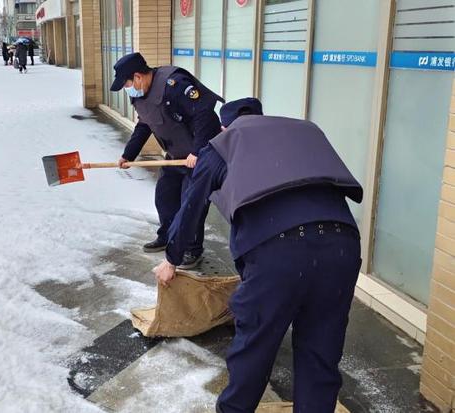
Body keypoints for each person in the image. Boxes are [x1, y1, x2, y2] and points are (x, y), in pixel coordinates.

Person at [153, 98, 364, 413]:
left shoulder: (226, 143)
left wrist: (171, 258)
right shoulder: (299, 133)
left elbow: (191, 206)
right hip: (343, 246)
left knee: (254, 350)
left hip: (278, 252)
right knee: (320, 355)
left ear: (225, 126)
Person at [110, 52, 223, 269]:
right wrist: (128, 154)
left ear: (138, 77)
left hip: (198, 156)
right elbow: (145, 124)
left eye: (126, 84)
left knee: (190, 203)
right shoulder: (141, 94)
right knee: (164, 196)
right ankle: (169, 237)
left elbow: (205, 115)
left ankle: (191, 249)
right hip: (175, 154)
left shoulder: (175, 84)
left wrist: (198, 152)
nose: (127, 89)